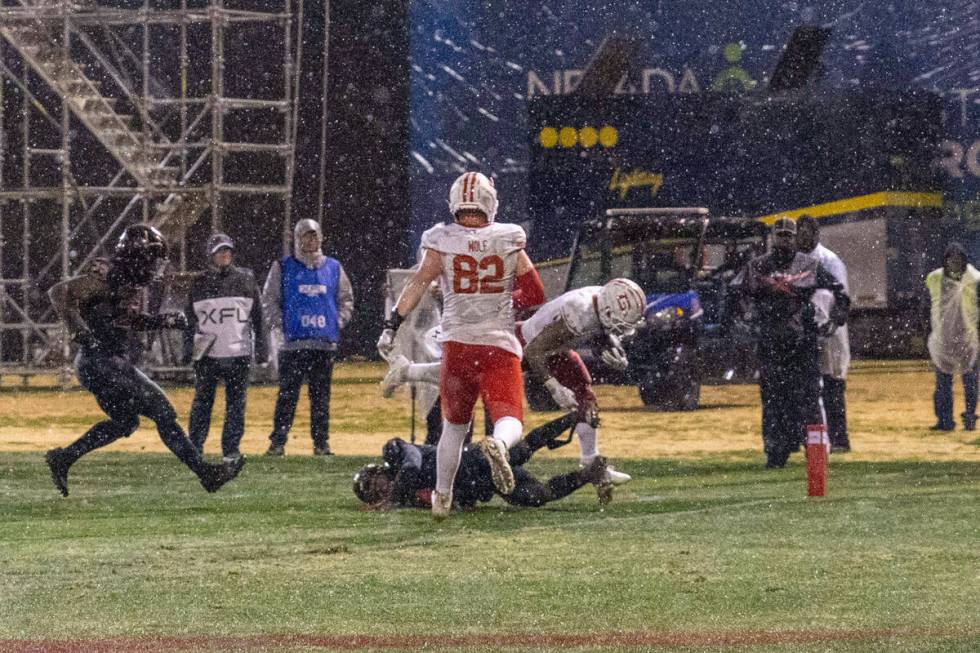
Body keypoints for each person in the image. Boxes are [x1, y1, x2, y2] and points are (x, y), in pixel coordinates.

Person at [376, 171, 545, 520]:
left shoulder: (442, 239)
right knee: (509, 416)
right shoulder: (508, 237)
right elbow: (534, 294)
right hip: (497, 343)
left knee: (453, 426)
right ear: (490, 202)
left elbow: (418, 284)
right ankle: (498, 444)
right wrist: (501, 297)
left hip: (456, 345)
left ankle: (441, 497)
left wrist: (391, 324)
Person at [44, 224, 245, 496]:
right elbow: (59, 293)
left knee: (126, 422)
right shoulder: (107, 276)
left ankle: (63, 458)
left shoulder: (126, 281)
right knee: (163, 411)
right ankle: (206, 473)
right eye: (153, 260)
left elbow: (124, 319)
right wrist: (80, 331)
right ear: (138, 257)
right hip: (101, 361)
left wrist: (162, 320)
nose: (156, 268)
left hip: (100, 363)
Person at [384, 280, 643, 488]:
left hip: (550, 349)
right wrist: (553, 387)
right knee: (464, 377)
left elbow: (594, 330)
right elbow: (535, 352)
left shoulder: (601, 299)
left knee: (586, 399)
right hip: (522, 345)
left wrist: (608, 346)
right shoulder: (580, 311)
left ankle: (592, 465)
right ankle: (406, 371)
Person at [732, 217, 850, 468]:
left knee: (809, 400)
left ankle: (815, 452)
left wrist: (834, 321)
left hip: (802, 345)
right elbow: (735, 295)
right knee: (774, 401)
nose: (784, 239)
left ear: (795, 237)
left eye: (788, 235)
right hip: (770, 344)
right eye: (780, 234)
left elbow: (840, 293)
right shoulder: (757, 266)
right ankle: (776, 452)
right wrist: (746, 319)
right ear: (773, 237)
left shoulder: (810, 265)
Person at [352, 413, 613, 510]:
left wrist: (392, 499)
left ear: (379, 471)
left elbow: (412, 464)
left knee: (524, 448)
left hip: (472, 460)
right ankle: (589, 473)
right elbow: (449, 500)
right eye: (373, 493)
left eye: (374, 483)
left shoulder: (395, 451)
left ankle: (573, 417)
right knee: (537, 496)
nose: (378, 489)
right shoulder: (407, 497)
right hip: (478, 484)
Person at [262, 219, 354, 456]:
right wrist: (282, 326)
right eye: (306, 236)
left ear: (320, 238)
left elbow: (346, 299)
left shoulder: (333, 267)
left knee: (321, 398)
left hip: (323, 345)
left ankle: (321, 443)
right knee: (287, 396)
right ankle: (278, 442)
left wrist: (336, 322)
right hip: (292, 345)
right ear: (297, 238)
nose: (311, 240)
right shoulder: (282, 267)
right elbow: (269, 300)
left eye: (314, 236)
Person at [183, 233, 266, 463]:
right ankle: (195, 447)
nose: (225, 254)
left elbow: (258, 317)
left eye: (228, 250)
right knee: (202, 403)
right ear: (211, 255)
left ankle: (231, 449)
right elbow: (189, 320)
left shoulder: (246, 279)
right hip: (207, 355)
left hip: (238, 354)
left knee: (236, 406)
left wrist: (261, 349)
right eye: (220, 251)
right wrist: (187, 350)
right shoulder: (199, 283)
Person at [796, 216, 851, 452]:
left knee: (832, 388)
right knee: (808, 390)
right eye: (799, 233)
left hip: (830, 336)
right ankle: (811, 437)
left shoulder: (829, 261)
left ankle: (839, 439)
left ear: (816, 235)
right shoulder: (796, 262)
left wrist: (832, 323)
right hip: (807, 334)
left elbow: (842, 298)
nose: (802, 237)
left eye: (806, 233)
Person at [925, 242, 980, 431]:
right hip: (944, 339)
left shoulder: (974, 279)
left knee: (970, 381)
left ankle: (970, 416)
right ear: (946, 261)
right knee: (943, 383)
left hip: (968, 338)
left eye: (958, 259)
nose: (954, 262)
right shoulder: (935, 278)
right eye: (951, 259)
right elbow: (932, 305)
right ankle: (944, 419)